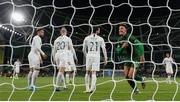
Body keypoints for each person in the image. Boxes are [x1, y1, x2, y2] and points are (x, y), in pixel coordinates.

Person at [116, 23, 145, 94]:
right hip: (128, 58)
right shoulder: (119, 40)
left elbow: (140, 44)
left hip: (136, 57)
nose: (120, 30)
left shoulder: (130, 37)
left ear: (125, 30)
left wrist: (142, 56)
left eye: (122, 28)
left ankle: (141, 79)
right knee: (126, 76)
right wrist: (123, 47)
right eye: (119, 29)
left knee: (131, 75)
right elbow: (118, 51)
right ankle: (136, 89)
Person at [83, 27, 107, 93]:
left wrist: (86, 55)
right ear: (97, 31)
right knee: (94, 72)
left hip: (89, 55)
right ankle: (92, 88)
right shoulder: (100, 39)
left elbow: (83, 49)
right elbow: (104, 49)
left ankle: (87, 88)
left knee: (87, 72)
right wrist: (106, 58)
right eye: (99, 29)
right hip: (96, 56)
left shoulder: (87, 38)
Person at [53, 27, 75, 91]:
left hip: (57, 55)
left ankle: (64, 86)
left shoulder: (56, 39)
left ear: (60, 32)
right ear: (66, 32)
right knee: (61, 71)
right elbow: (71, 48)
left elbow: (54, 50)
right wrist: (73, 57)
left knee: (61, 71)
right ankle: (57, 86)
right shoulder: (68, 39)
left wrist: (54, 58)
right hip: (63, 55)